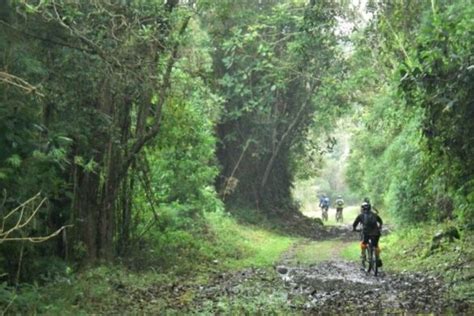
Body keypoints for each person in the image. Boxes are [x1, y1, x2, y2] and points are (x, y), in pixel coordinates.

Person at [352, 201, 383, 267]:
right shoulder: (374, 214)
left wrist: (354, 229)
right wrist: (379, 227)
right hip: (376, 233)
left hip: (366, 233)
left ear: (362, 209)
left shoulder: (361, 215)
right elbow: (380, 221)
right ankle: (378, 258)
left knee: (364, 243)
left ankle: (363, 256)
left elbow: (355, 223)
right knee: (376, 245)